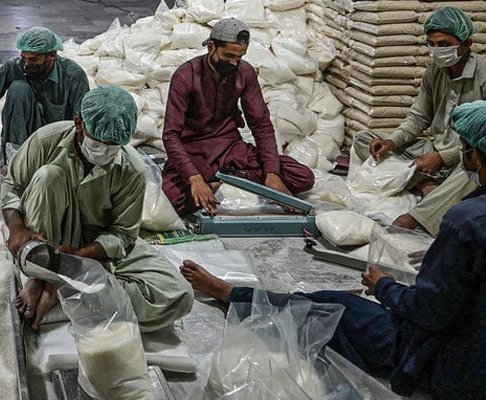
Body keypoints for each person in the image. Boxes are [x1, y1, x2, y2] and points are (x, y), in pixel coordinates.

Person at [179, 99, 486, 400]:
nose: (461, 154)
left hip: (453, 363)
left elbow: (428, 313)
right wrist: (443, 256)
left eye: (463, 147)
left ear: (476, 155)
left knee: (335, 306)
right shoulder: (468, 224)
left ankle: (233, 295)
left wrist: (385, 286)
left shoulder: (465, 222)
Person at [1, 86, 193, 332]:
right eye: (98, 141)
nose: (104, 150)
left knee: (177, 295)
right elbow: (12, 186)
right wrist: (16, 229)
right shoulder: (46, 141)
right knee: (48, 176)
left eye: (113, 145)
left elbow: (123, 234)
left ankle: (62, 289)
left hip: (94, 243)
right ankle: (42, 274)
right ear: (79, 123)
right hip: (47, 236)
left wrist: (81, 258)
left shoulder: (132, 168)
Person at [351, 6, 486, 236]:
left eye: (444, 45)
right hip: (433, 147)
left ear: (466, 44)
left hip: (467, 156)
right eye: (431, 44)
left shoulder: (483, 74)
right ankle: (426, 185)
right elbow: (419, 115)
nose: (436, 51)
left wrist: (443, 158)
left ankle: (419, 216)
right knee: (365, 140)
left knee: (473, 174)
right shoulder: (435, 70)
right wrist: (392, 142)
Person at [161, 18, 315, 216]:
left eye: (239, 57)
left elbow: (261, 125)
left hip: (231, 150)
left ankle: (223, 180)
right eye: (228, 56)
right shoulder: (186, 76)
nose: (233, 63)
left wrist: (272, 173)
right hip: (195, 152)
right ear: (211, 46)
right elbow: (170, 135)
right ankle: (223, 181)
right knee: (170, 199)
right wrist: (194, 178)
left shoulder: (245, 73)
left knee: (302, 177)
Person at [0, 26, 90, 167]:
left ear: (52, 55)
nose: (27, 65)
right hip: (24, 139)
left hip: (57, 143)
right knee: (19, 89)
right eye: (24, 58)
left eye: (34, 60)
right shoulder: (14, 68)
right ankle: (16, 161)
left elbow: (83, 122)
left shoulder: (73, 75)